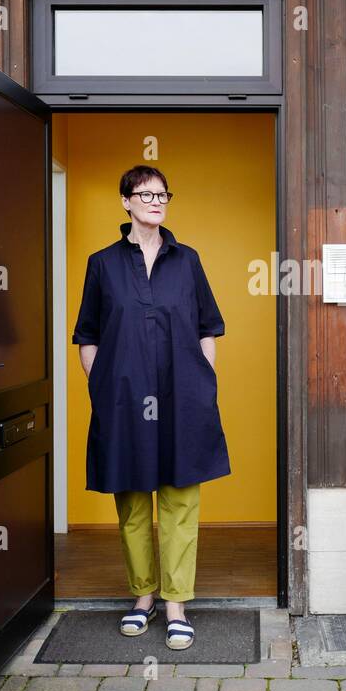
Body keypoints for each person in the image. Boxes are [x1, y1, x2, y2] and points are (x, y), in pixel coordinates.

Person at [72, 166, 231, 650]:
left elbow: (208, 326)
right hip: (125, 404)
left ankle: (177, 604)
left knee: (182, 502)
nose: (155, 201)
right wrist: (103, 390)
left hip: (183, 399)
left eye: (162, 193)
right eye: (145, 193)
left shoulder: (188, 261)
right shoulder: (103, 264)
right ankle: (143, 599)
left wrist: (203, 383)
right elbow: (87, 336)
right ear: (125, 201)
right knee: (134, 505)